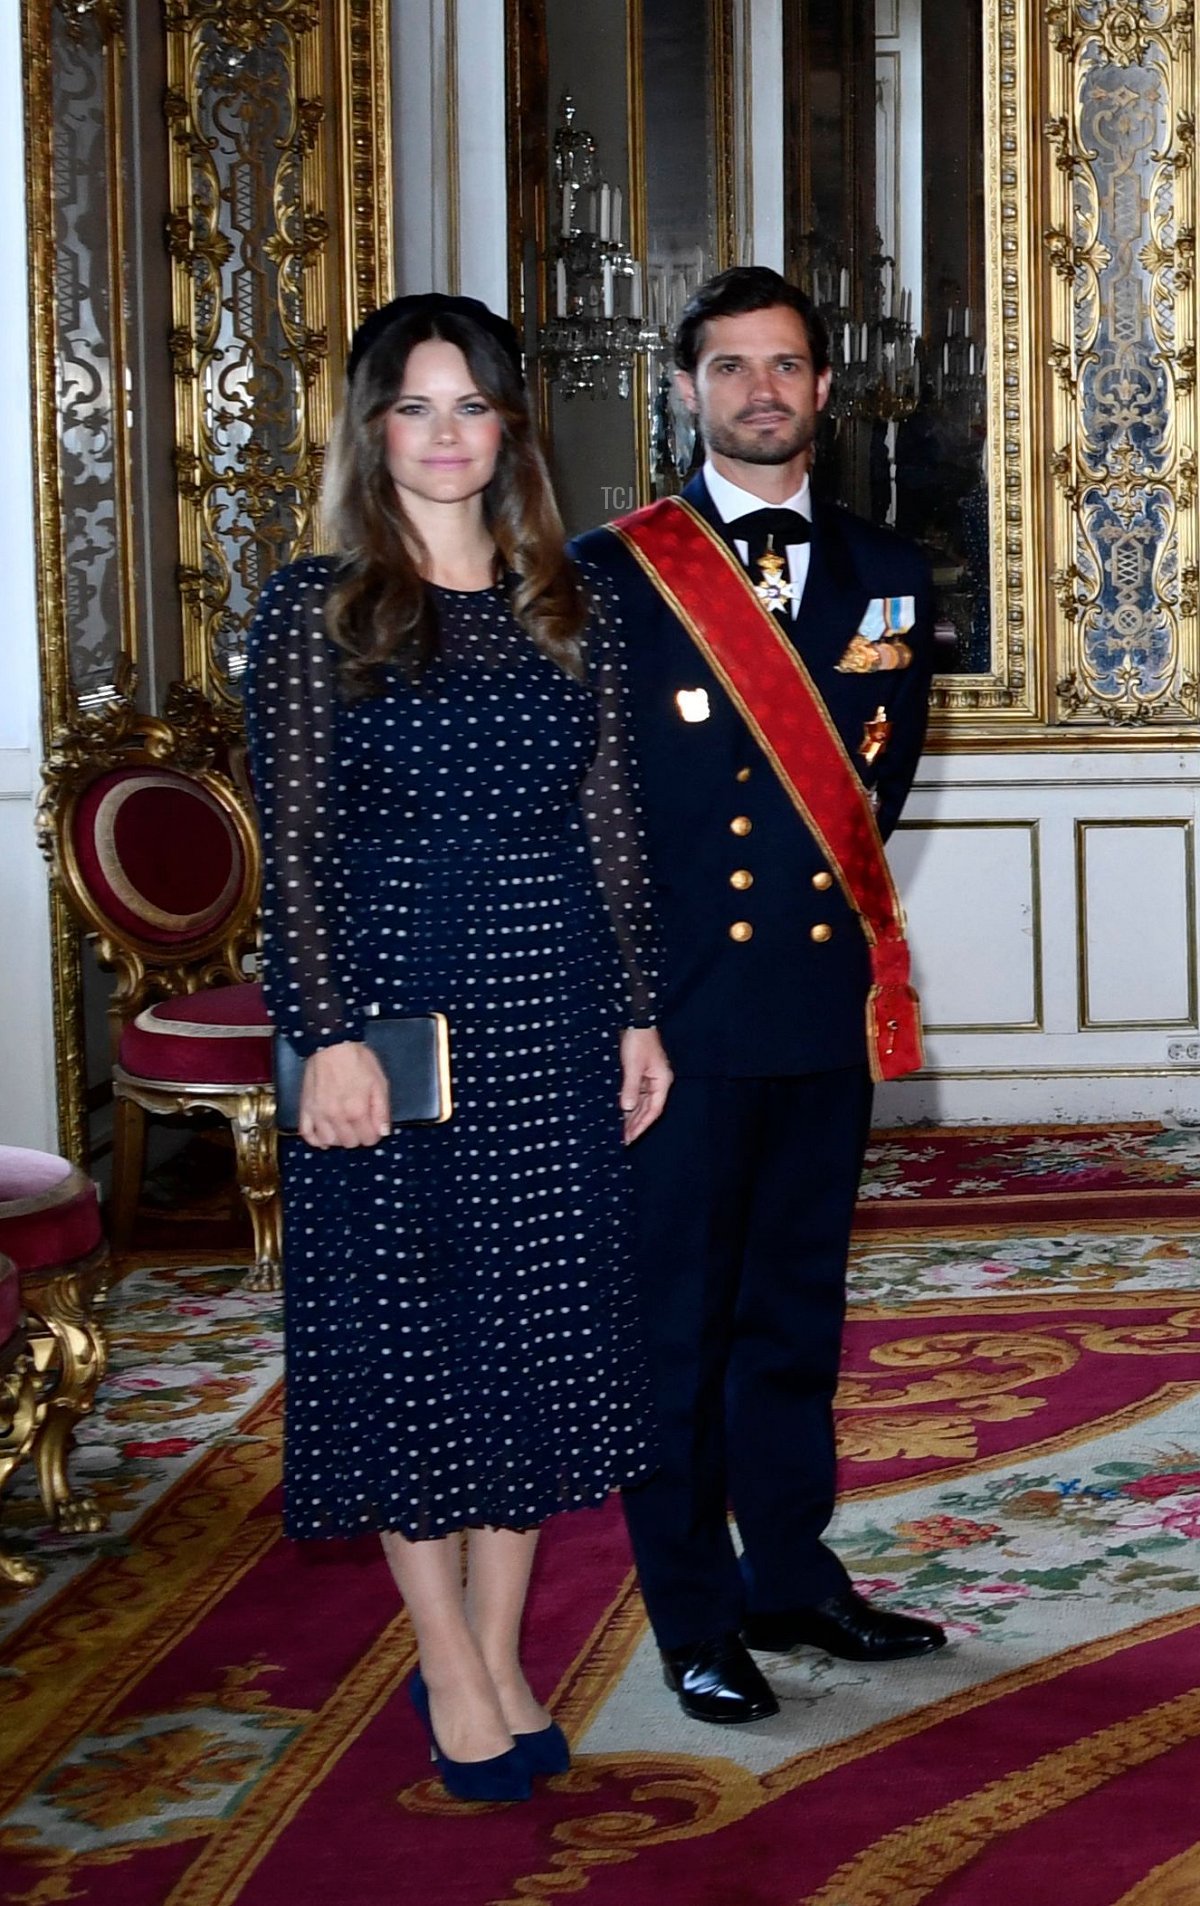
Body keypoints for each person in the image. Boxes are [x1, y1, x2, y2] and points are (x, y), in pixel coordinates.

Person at [245, 292, 672, 1799]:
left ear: (509, 429)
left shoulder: (572, 601)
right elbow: (296, 850)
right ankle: (445, 1658)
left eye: (470, 405)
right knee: (413, 1344)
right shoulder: (318, 608)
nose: (444, 434)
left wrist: (637, 1011)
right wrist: (324, 1038)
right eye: (414, 406)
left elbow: (612, 825)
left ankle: (500, 1649)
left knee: (533, 1337)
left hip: (549, 1004)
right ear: (373, 431)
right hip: (394, 1011)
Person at [570, 265, 945, 1726]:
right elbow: (596, 808)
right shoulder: (614, 572)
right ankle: (696, 1615)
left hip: (816, 998)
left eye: (784, 364)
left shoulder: (889, 570)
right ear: (684, 389)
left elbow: (874, 791)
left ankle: (790, 1572)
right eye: (729, 366)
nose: (760, 391)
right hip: (678, 1013)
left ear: (825, 388)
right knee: (679, 1327)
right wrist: (628, 1002)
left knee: (797, 1313)